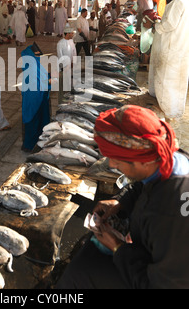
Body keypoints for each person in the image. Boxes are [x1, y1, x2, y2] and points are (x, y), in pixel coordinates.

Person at [57, 105, 189, 289]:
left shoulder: (169, 215)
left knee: (78, 274)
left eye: (117, 160)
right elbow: (144, 184)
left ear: (142, 161)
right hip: (160, 255)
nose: (112, 164)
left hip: (165, 279)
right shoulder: (169, 154)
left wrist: (118, 248)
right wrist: (121, 201)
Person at [149, 0, 189, 131]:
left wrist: (154, 24)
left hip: (172, 52)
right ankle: (169, 114)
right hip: (176, 50)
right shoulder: (182, 2)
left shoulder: (177, 3)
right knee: (171, 86)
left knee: (168, 85)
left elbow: (169, 25)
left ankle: (168, 117)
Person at [21, 43, 51, 152]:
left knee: (39, 121)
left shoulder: (32, 64)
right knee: (34, 122)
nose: (39, 57)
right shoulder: (33, 67)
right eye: (37, 55)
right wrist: (50, 82)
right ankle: (30, 145)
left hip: (38, 98)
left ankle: (38, 141)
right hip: (34, 100)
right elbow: (41, 82)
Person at [57, 24, 77, 103]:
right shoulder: (60, 43)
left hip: (70, 67)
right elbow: (60, 57)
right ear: (68, 34)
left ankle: (69, 102)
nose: (73, 34)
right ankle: (61, 104)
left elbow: (74, 52)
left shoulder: (71, 41)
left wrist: (73, 62)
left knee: (69, 86)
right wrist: (64, 67)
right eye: (72, 33)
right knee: (63, 88)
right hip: (64, 69)